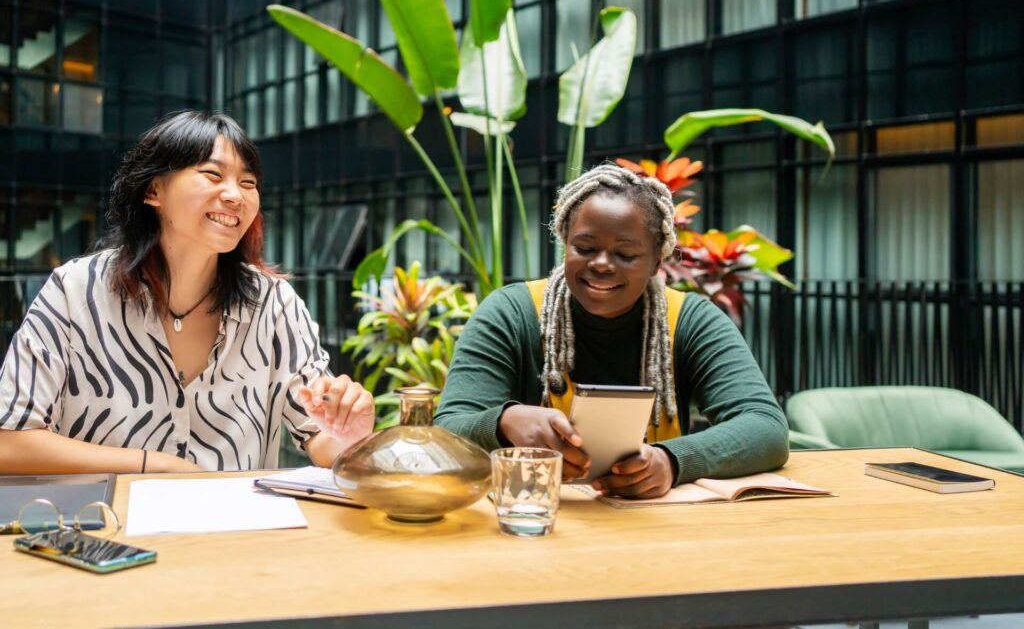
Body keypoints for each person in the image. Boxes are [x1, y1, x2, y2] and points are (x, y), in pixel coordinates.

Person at [0, 111, 373, 474]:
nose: (235, 196)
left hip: (234, 533)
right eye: (212, 174)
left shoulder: (274, 303)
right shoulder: (75, 291)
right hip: (105, 530)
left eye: (248, 183)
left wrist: (349, 434)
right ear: (153, 189)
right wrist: (152, 464)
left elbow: (320, 440)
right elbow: (11, 441)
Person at [435, 163, 788, 499]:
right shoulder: (511, 313)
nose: (601, 264)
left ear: (656, 261)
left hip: (655, 526)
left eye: (625, 254)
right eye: (585, 248)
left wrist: (671, 460)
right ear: (565, 244)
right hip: (533, 520)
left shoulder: (691, 320)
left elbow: (765, 428)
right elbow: (448, 428)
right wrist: (504, 422)